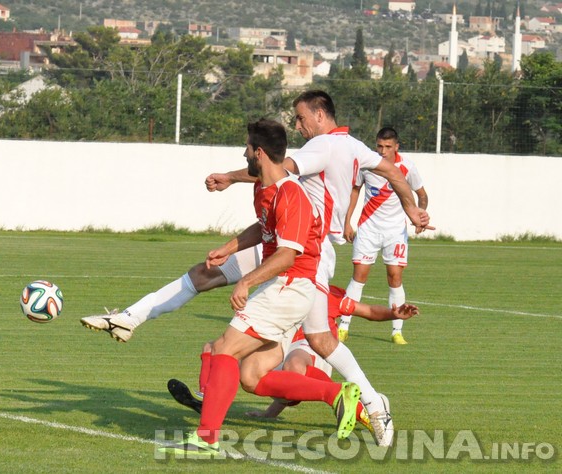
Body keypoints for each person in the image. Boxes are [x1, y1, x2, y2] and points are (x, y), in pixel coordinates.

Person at [86, 91, 431, 447]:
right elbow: (392, 172)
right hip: (308, 250)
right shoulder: (355, 146)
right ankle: (371, 402)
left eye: (300, 118)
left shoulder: (323, 146)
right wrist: (412, 209)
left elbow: (275, 168)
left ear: (319, 114)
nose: (297, 126)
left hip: (296, 248)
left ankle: (138, 326)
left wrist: (231, 177)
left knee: (222, 323)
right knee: (303, 348)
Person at [158, 119, 360, 457]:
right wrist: (230, 247)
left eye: (248, 148)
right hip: (283, 288)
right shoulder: (264, 188)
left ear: (260, 153)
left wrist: (247, 280)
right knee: (252, 377)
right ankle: (336, 394)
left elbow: (287, 253)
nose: (244, 152)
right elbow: (264, 227)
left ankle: (206, 437)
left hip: (291, 286)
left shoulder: (291, 192)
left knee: (224, 348)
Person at [166, 286, 420, 426]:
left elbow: (366, 311)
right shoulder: (280, 289)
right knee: (215, 347)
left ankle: (358, 403)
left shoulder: (325, 293)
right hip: (280, 344)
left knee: (294, 362)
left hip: (312, 348)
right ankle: (205, 399)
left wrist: (394, 314)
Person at [338, 127, 429, 345]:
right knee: (359, 276)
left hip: (395, 230)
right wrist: (347, 221)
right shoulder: (367, 163)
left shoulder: (407, 167)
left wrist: (421, 214)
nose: (383, 151)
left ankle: (397, 331)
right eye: (379, 146)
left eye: (388, 147)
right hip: (368, 228)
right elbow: (355, 191)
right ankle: (343, 327)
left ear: (396, 147)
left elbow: (422, 195)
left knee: (395, 277)